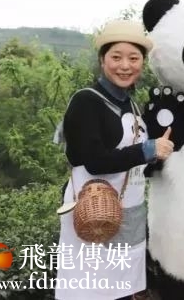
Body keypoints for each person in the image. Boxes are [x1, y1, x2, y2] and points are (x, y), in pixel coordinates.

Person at [55, 19, 174, 300]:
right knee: (89, 290)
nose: (125, 65)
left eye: (134, 58)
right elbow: (95, 161)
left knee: (119, 290)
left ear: (142, 63)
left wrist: (157, 157)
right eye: (116, 57)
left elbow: (132, 160)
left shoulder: (130, 104)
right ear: (102, 60)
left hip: (126, 213)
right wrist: (148, 150)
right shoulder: (87, 101)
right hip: (93, 213)